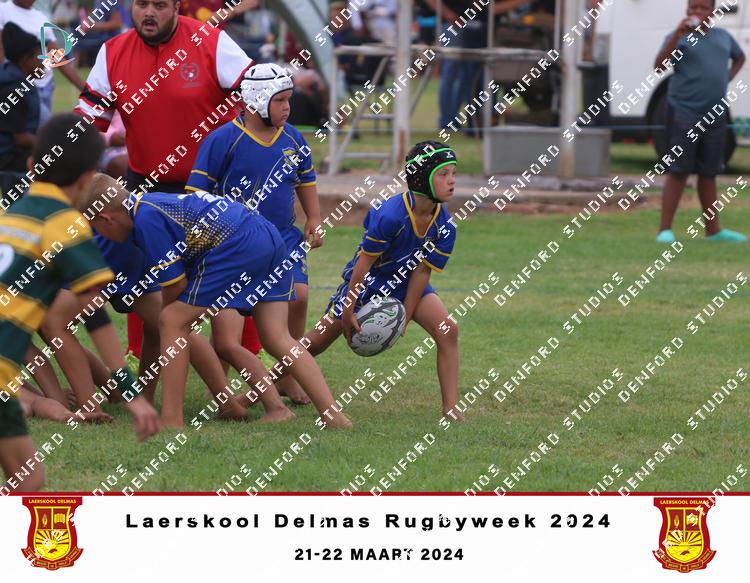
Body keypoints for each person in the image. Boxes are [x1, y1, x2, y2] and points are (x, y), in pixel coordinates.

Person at [81, 176, 352, 429]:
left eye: (95, 228)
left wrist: (171, 321)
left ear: (105, 218)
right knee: (277, 338)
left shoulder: (146, 218)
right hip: (268, 235)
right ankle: (327, 415)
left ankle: (172, 419)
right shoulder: (153, 204)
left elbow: (175, 286)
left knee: (171, 320)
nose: (98, 235)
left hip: (238, 243)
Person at [74, 0, 255, 360]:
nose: (149, 12)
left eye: (159, 4)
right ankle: (138, 352)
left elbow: (258, 101)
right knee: (144, 275)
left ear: (176, 6)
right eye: (141, 4)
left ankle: (248, 352)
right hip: (146, 185)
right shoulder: (112, 52)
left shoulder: (212, 41)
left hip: (213, 188)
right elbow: (85, 126)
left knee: (231, 276)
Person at [0, 113, 161, 492]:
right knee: (29, 481)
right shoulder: (64, 225)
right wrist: (132, 394)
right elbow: (95, 316)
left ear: (31, 165)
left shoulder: (11, 215)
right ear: (88, 179)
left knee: (28, 479)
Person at [186, 64, 321, 405]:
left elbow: (306, 178)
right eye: (280, 101)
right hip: (234, 245)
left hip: (284, 239)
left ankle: (287, 376)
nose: (287, 108)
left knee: (299, 297)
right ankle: (220, 391)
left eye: (289, 100)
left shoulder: (293, 138)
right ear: (256, 101)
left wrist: (314, 218)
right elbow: (196, 193)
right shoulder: (222, 140)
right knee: (227, 326)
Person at [303, 141, 462, 420]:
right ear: (421, 178)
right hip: (367, 284)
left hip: (407, 283)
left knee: (448, 330)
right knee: (313, 344)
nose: (452, 181)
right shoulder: (390, 215)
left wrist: (405, 317)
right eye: (443, 174)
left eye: (453, 174)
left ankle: (450, 409)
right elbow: (363, 265)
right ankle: (261, 389)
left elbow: (421, 273)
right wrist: (348, 309)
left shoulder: (445, 226)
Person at [654, 0, 746, 243]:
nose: (696, 12)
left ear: (712, 12)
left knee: (709, 172)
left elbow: (740, 57)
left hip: (714, 114)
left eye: (702, 8)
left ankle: (713, 231)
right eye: (692, 8)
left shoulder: (723, 37)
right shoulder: (680, 38)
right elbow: (659, 66)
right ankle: (665, 230)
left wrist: (727, 78)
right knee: (679, 170)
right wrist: (677, 35)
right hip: (684, 112)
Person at [0, 0, 86, 124]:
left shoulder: (41, 18)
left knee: (37, 127)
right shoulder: (3, 11)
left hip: (45, 86)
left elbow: (57, 57)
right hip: (18, 86)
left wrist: (86, 91)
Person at [0, 24, 40, 173]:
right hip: (7, 157)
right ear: (25, 60)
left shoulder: (18, 80)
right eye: (40, 56)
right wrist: (51, 142)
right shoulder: (14, 89)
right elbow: (21, 138)